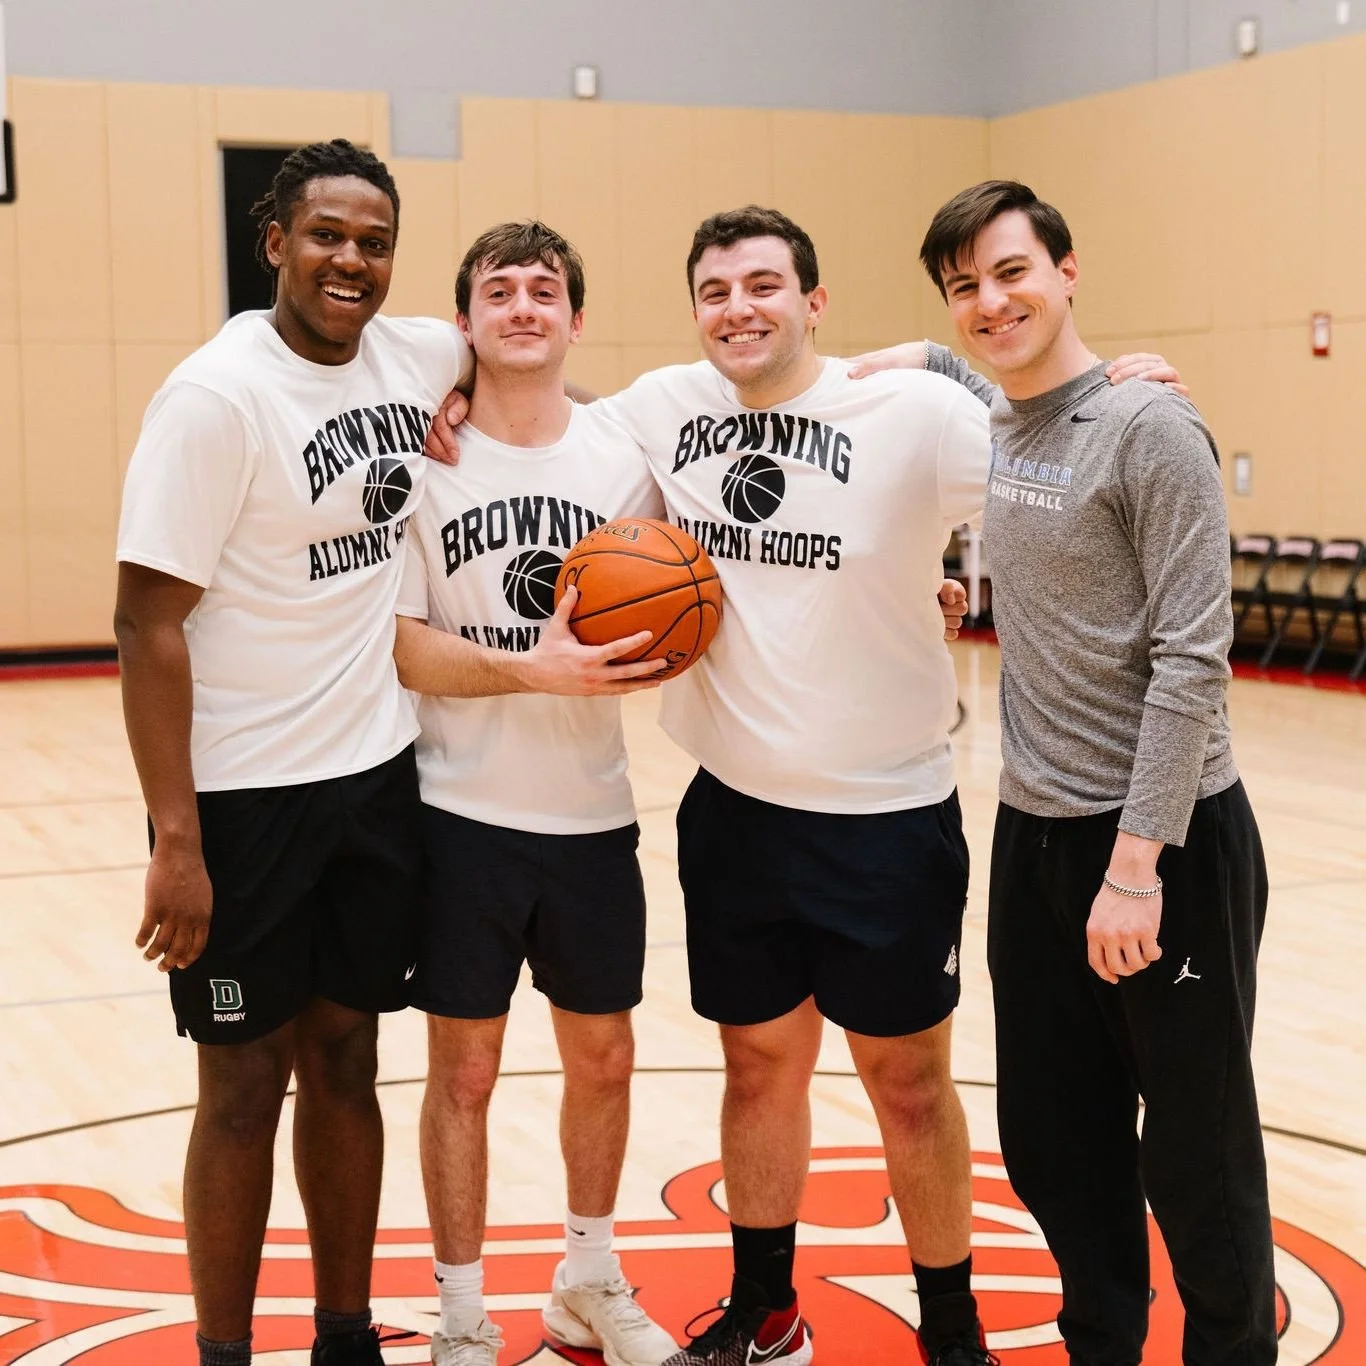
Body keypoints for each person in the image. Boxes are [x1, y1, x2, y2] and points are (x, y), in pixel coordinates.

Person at [863, 179, 1275, 1366]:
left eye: (1011, 272)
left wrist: (1137, 865)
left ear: (1067, 268)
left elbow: (1196, 660)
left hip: (1163, 838)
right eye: (964, 287)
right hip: (1033, 832)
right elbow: (889, 366)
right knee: (1054, 1136)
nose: (991, 303)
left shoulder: (1151, 429)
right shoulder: (991, 413)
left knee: (1194, 1150)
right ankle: (1102, 1342)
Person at [113, 139, 472, 1366]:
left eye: (374, 240)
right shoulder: (217, 397)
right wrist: (177, 841)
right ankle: (222, 1350)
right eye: (326, 235)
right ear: (274, 242)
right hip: (241, 800)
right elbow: (144, 622)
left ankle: (344, 1334)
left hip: (373, 780)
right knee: (240, 1082)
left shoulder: (415, 353)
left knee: (348, 1055)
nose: (351, 260)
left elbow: (499, 348)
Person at [391, 220, 678, 1366]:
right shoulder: (422, 461)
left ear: (573, 317)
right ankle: (461, 1312)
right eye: (496, 291)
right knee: (462, 1071)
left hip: (592, 814)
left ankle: (587, 1277)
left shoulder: (624, 448)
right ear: (462, 323)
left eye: (543, 289)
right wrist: (532, 666)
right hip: (457, 814)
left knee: (602, 1057)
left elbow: (806, 389)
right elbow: (405, 646)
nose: (521, 306)